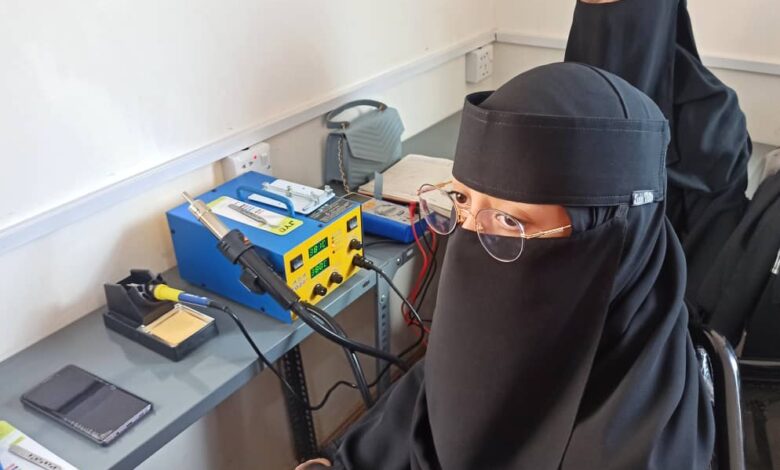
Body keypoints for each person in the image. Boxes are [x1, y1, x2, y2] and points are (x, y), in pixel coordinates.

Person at [296, 61, 715, 469]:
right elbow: (438, 387)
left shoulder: (647, 446)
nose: (470, 241)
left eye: (510, 221)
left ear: (608, 238)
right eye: (461, 200)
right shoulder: (504, 333)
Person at [565, 0, 752, 299]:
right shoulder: (564, 101)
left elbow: (710, 265)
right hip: (571, 291)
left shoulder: (712, 118)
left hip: (665, 303)